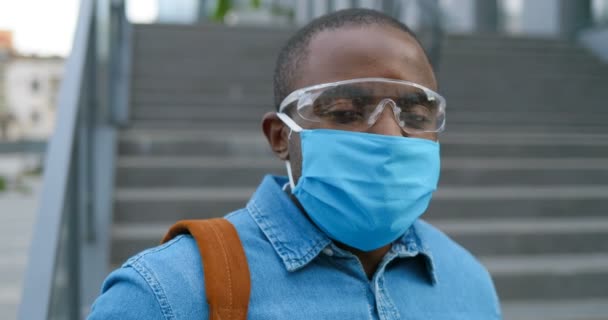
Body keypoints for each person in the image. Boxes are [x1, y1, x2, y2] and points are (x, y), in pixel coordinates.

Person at [88, 8, 501, 319]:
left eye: (414, 113)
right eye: (345, 112)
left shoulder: (468, 283)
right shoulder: (165, 293)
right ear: (281, 136)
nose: (390, 135)